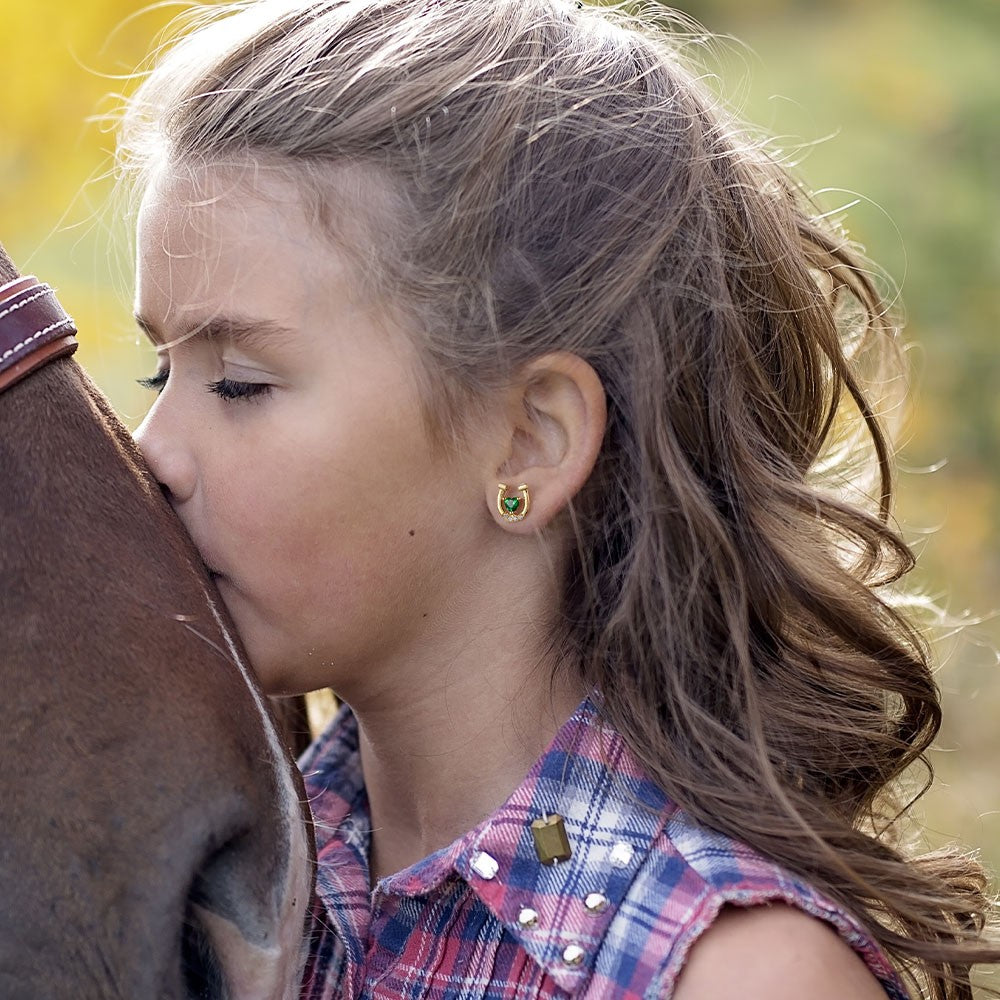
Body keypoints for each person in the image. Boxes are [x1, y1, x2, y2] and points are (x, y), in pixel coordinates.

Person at [118, 1, 999, 996]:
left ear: (529, 440)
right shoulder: (214, 892)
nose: (151, 452)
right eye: (160, 375)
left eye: (239, 380)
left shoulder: (730, 974)